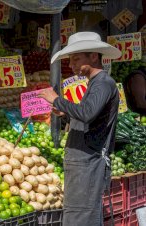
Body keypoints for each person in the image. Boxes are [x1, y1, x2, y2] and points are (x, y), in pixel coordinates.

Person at [38, 32, 122, 226]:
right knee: (80, 215)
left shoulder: (103, 83)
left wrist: (57, 99)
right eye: (70, 60)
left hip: (88, 163)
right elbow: (90, 119)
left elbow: (86, 113)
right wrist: (66, 114)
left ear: (94, 56)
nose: (71, 65)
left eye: (76, 59)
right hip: (82, 163)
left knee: (82, 217)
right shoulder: (95, 83)